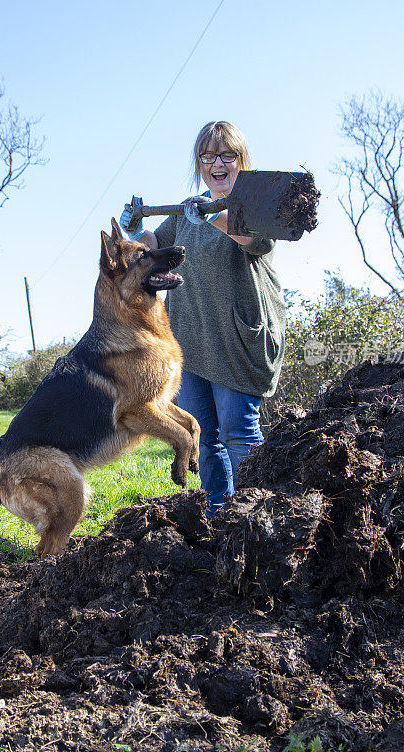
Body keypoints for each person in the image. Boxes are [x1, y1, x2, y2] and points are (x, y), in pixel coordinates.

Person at [119, 120, 285, 516]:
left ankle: (260, 516)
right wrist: (135, 229)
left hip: (237, 340)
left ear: (241, 160)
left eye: (227, 155)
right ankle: (217, 515)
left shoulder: (254, 207)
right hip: (191, 343)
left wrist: (215, 217)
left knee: (239, 434)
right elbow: (150, 249)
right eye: (208, 156)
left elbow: (255, 242)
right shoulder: (185, 213)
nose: (218, 163)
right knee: (204, 437)